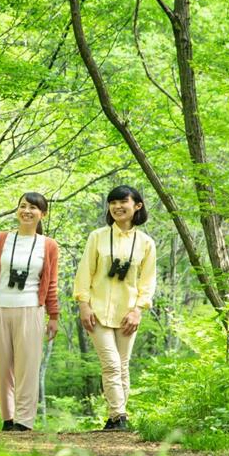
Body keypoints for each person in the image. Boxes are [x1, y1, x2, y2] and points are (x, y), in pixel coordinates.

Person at [73, 185, 156, 431]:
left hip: (127, 313)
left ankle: (115, 417)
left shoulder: (146, 243)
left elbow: (147, 281)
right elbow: (84, 272)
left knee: (122, 364)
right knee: (110, 363)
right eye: (113, 203)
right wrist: (83, 305)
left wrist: (138, 310)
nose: (118, 207)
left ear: (137, 206)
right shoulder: (97, 236)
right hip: (97, 311)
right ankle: (120, 414)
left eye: (123, 202)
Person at [0, 192, 59, 432]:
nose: (27, 211)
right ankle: (8, 418)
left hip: (31, 309)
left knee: (27, 367)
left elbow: (51, 282)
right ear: (17, 210)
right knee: (0, 367)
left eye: (33, 207)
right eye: (22, 206)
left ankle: (24, 421)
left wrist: (53, 316)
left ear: (42, 214)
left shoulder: (49, 245)